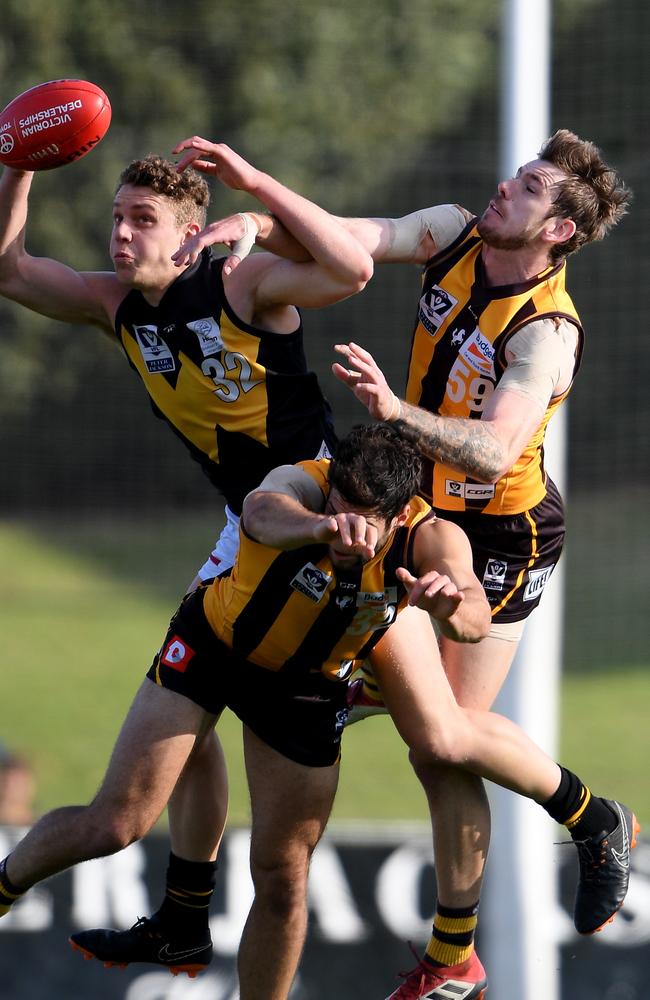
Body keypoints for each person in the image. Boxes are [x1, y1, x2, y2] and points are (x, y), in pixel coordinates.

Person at [178, 129, 637, 999]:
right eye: (518, 176)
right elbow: (349, 239)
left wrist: (395, 409)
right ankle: (460, 951)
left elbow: (495, 452)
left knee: (443, 741)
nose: (507, 188)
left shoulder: (548, 333)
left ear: (561, 232)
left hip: (502, 536)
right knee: (435, 737)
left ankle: (583, 828)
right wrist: (254, 211)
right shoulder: (455, 231)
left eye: (533, 189)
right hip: (412, 508)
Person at [0, 422, 633, 1000]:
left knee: (282, 878)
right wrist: (321, 526)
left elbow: (472, 610)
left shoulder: (429, 536)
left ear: (399, 512)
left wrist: (448, 603)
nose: (348, 524)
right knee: (116, 824)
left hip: (305, 693)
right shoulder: (306, 484)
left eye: (364, 520)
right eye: (340, 504)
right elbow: (260, 509)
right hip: (213, 648)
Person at [0, 137, 372, 969]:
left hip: (332, 533)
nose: (123, 236)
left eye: (144, 221)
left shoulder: (240, 283)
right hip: (244, 538)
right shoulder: (116, 306)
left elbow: (350, 270)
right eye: (117, 220)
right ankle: (176, 913)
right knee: (119, 812)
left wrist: (253, 197)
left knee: (435, 738)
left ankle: (576, 820)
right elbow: (11, 270)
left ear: (189, 231)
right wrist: (15, 161)